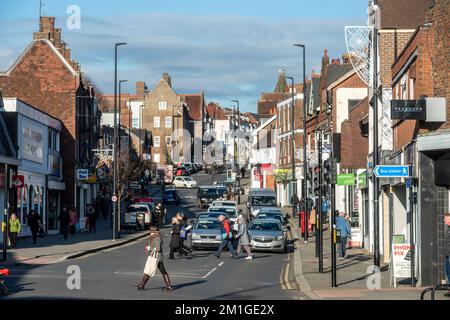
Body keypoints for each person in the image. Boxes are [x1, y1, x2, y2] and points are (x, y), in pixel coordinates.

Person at [134, 226, 172, 291]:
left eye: (150, 231)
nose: (149, 232)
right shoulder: (154, 237)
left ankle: (142, 285)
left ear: (153, 232)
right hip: (155, 257)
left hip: (156, 257)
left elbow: (158, 248)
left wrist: (149, 248)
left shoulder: (157, 238)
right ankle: (142, 285)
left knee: (150, 271)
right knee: (157, 271)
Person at [444, 213, 450, 297]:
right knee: (448, 272)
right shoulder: (448, 228)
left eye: (445, 218)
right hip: (447, 254)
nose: (444, 220)